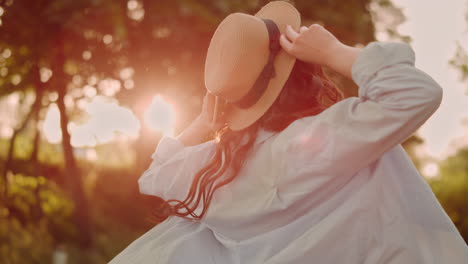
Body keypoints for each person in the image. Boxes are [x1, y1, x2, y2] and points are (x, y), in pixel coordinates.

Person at [110, 1, 468, 263]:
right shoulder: (322, 142)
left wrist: (205, 122)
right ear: (301, 72)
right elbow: (416, 92)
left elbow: (156, 172)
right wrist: (333, 51)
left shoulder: (214, 172)